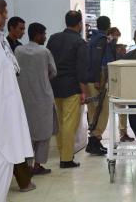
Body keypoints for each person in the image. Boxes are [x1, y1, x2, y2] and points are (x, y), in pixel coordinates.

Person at [0, 0, 34, 201]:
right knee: (0, 165)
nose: (7, 18)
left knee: (3, 166)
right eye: (5, 13)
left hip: (7, 117)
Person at [47, 10, 88, 168]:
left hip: (55, 85)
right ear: (79, 24)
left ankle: (62, 152)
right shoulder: (79, 42)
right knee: (70, 123)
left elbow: (48, 62)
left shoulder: (53, 38)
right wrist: (84, 91)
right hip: (72, 87)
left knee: (60, 122)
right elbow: (81, 69)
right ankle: (66, 159)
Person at [15, 22, 57, 175]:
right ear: (38, 35)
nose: (45, 37)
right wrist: (43, 79)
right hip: (43, 97)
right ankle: (38, 165)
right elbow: (53, 72)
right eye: (44, 34)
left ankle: (27, 165)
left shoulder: (18, 50)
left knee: (27, 132)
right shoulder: (44, 52)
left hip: (24, 97)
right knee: (44, 133)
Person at [86, 16, 111, 155]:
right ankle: (95, 141)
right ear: (108, 25)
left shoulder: (93, 38)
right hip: (97, 80)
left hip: (92, 79)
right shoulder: (101, 39)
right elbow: (96, 60)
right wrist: (98, 80)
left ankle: (94, 142)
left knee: (94, 111)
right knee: (101, 110)